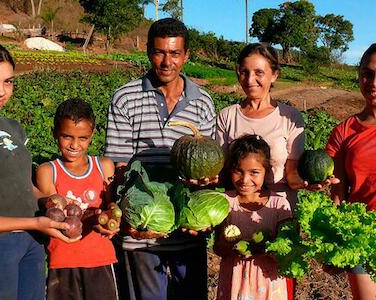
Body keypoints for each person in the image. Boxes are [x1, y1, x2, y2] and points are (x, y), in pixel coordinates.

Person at [105, 18, 216, 300]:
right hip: (141, 233)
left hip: (188, 233)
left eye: (175, 53)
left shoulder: (202, 102)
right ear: (147, 52)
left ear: (187, 55)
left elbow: (206, 163)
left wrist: (205, 189)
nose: (167, 62)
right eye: (159, 52)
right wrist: (129, 218)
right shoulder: (124, 98)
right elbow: (118, 165)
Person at [0, 40, 76, 299]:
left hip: (30, 242)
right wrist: (33, 222)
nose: (1, 91)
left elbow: (23, 184)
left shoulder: (13, 127)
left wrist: (48, 199)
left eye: (8, 82)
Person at [216, 43, 337, 209]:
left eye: (259, 73)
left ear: (274, 75)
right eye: (244, 72)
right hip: (237, 208)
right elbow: (223, 172)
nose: (250, 79)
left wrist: (307, 182)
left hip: (279, 209)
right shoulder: (227, 116)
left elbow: (292, 174)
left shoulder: (290, 117)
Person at [36, 98, 119, 299]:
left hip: (100, 258)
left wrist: (111, 219)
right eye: (67, 136)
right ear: (54, 133)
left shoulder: (104, 166)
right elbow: (53, 213)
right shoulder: (48, 171)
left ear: (92, 135)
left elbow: (112, 206)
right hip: (63, 260)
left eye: (82, 138)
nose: (74, 145)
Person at [214, 134, 293, 300]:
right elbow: (218, 248)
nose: (245, 180)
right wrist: (230, 245)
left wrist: (265, 250)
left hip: (268, 282)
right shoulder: (224, 202)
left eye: (254, 172)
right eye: (238, 171)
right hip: (234, 280)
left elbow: (287, 250)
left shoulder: (279, 205)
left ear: (267, 171)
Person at [325, 43, 376, 300]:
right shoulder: (344, 132)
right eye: (368, 73)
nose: (374, 82)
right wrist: (333, 241)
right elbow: (338, 193)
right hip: (360, 237)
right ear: (358, 74)